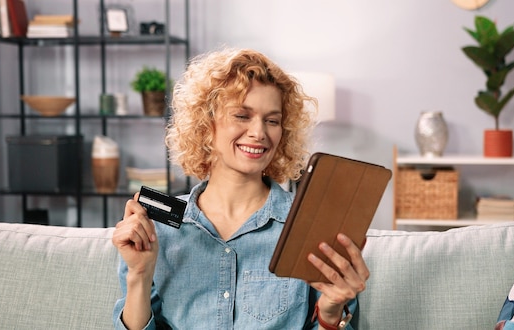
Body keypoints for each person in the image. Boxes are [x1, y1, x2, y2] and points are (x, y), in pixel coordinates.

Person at [112, 48, 370, 329]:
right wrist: (138, 275)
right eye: (242, 116)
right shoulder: (156, 229)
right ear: (207, 125)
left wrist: (330, 314)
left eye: (272, 120)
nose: (259, 132)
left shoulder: (310, 229)